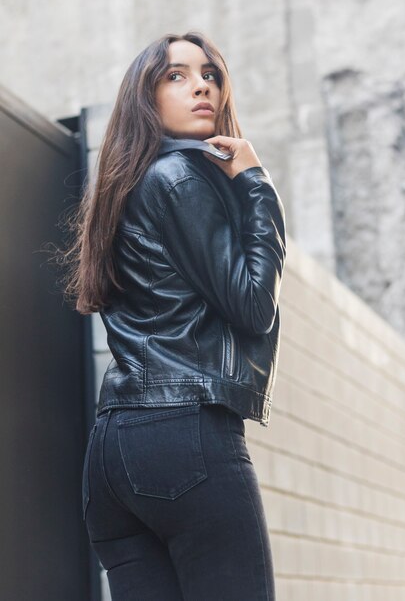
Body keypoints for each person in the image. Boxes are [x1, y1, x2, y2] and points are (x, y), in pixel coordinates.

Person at [71, 31, 286, 600]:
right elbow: (253, 304)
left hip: (113, 453)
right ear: (146, 96)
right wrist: (257, 186)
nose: (201, 86)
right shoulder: (184, 176)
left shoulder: (123, 186)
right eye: (177, 75)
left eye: (210, 74)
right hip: (186, 437)